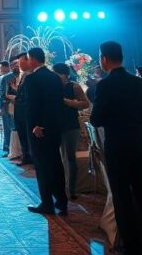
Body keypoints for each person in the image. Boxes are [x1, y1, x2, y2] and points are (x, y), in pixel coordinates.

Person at [89, 41, 142, 255]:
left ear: (104, 58)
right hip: (138, 141)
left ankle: (130, 244)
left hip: (117, 144)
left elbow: (96, 119)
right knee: (141, 190)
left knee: (121, 195)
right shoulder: (139, 82)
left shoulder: (105, 85)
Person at [20, 48, 68, 215]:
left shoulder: (32, 79)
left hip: (38, 130)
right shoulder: (55, 77)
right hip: (54, 127)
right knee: (56, 164)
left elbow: (32, 106)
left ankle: (47, 203)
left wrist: (35, 125)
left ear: (32, 60)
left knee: (42, 166)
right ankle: (62, 201)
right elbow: (57, 104)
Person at [52, 63, 89, 199]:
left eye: (56, 74)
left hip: (71, 125)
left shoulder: (74, 86)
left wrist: (67, 101)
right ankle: (60, 188)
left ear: (65, 75)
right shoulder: (51, 87)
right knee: (59, 158)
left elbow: (85, 104)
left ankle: (71, 189)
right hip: (56, 125)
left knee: (70, 157)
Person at [10, 53, 32, 165]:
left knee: (27, 135)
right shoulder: (24, 75)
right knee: (22, 134)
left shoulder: (31, 76)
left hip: (25, 111)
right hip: (19, 110)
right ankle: (26, 156)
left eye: (20, 62)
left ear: (29, 61)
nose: (19, 64)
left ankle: (30, 157)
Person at [0, 60, 16, 155]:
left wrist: (2, 107)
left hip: (8, 106)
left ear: (6, 67)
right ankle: (10, 148)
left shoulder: (8, 77)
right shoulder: (2, 77)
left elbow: (4, 94)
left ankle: (7, 149)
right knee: (8, 128)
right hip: (5, 105)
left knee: (8, 128)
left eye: (1, 67)